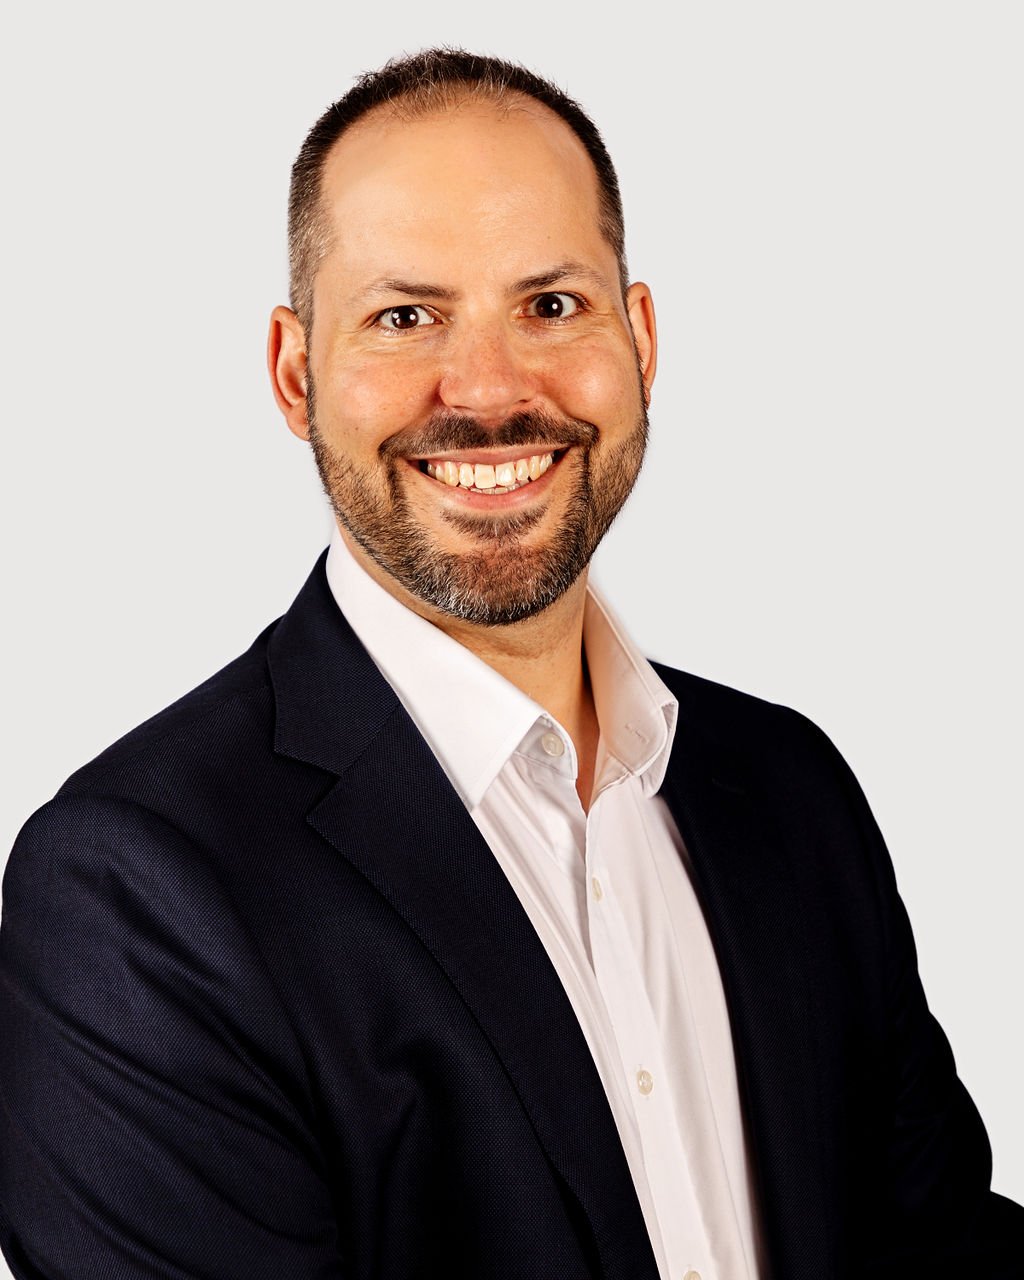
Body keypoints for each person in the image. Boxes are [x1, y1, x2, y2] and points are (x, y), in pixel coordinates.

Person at [0, 47, 1021, 1280]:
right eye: (404, 316)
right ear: (295, 372)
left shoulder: (789, 790)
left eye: (550, 306)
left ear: (640, 338)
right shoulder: (136, 889)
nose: (489, 391)